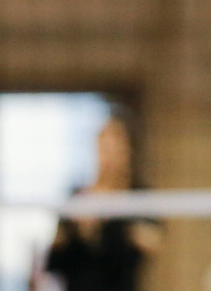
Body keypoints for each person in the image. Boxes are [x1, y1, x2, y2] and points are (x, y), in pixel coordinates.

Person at [43, 110, 162, 291]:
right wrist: (80, 229)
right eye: (105, 147)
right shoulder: (78, 197)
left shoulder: (139, 197)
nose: (110, 156)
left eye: (116, 148)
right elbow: (55, 258)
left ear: (128, 151)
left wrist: (112, 218)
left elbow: (151, 243)